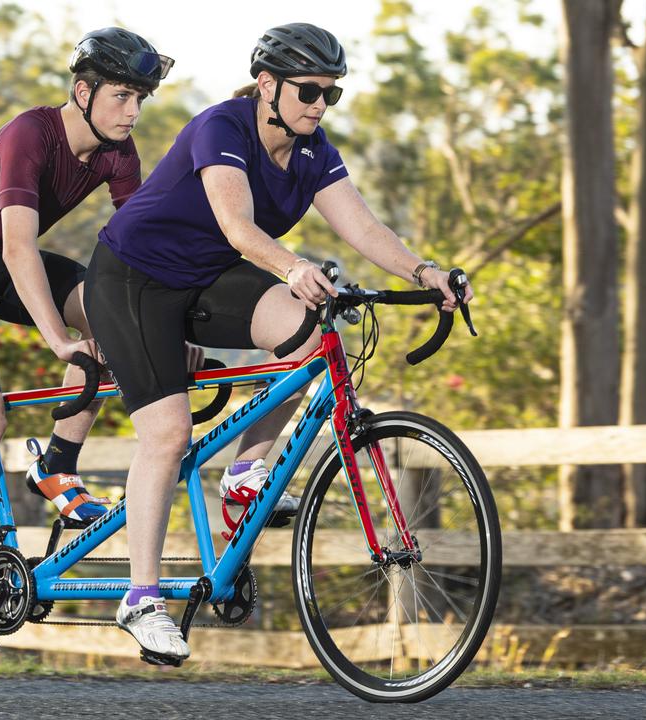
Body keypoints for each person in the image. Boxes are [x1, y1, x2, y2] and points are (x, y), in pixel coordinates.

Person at [83, 22, 473, 664]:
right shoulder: (222, 127)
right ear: (267, 84)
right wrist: (292, 266)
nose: (320, 105)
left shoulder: (315, 151)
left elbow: (363, 227)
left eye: (331, 94)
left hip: (206, 280)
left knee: (309, 335)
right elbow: (237, 226)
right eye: (309, 91)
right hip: (134, 281)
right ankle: (141, 598)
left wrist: (426, 273)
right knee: (168, 434)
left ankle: (245, 469)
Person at [0, 27, 174, 658]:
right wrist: (58, 338)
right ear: (82, 92)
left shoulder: (119, 152)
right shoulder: (33, 132)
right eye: (122, 96)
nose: (133, 111)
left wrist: (168, 331)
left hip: (4, 264)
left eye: (141, 98)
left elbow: (138, 259)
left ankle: (55, 465)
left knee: (115, 320)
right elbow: (17, 247)